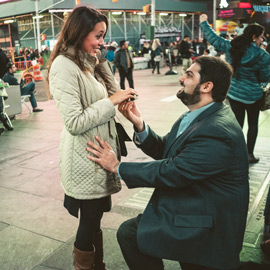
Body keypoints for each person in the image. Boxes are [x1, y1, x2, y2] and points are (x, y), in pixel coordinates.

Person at [86, 56, 249, 270]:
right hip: (194, 204)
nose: (181, 78)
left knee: (131, 234)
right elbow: (168, 151)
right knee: (131, 233)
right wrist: (140, 125)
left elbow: (175, 170)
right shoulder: (198, 115)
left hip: (206, 223)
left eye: (189, 74)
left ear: (207, 86)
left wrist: (118, 167)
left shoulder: (217, 130)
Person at [47, 6, 137, 270]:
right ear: (79, 31)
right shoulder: (64, 66)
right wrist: (112, 100)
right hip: (85, 158)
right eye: (97, 36)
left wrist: (101, 62)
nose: (101, 41)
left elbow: (113, 93)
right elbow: (74, 122)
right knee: (88, 221)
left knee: (94, 218)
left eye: (103, 36)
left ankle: (98, 265)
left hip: (98, 155)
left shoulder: (86, 62)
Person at [200, 14, 270, 164]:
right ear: (253, 37)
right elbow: (265, 77)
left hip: (234, 93)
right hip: (254, 95)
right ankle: (250, 154)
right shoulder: (263, 56)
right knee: (253, 124)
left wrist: (203, 22)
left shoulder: (232, 47)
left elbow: (213, 38)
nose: (261, 40)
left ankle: (235, 154)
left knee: (237, 124)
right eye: (260, 37)